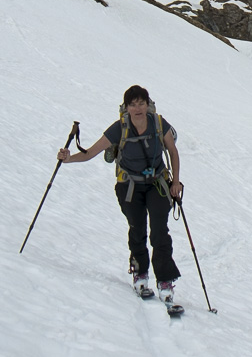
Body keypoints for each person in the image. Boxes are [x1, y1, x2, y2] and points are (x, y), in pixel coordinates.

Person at [58, 85, 183, 300]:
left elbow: (172, 151)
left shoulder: (159, 124)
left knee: (160, 231)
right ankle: (140, 274)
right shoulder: (119, 128)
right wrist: (68, 158)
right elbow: (90, 153)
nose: (137, 109)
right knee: (137, 228)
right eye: (133, 105)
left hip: (157, 184)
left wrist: (176, 182)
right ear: (126, 108)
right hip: (129, 186)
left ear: (147, 105)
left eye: (141, 104)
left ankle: (165, 281)